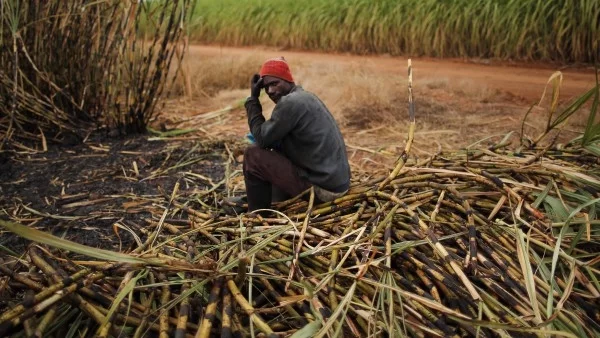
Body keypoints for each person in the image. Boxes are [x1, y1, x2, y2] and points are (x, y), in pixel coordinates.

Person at [224, 57, 351, 214]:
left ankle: (257, 213)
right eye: (265, 87)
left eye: (274, 83)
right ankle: (269, 200)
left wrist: (253, 99)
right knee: (275, 150)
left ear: (287, 80)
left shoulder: (290, 103)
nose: (270, 91)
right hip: (336, 184)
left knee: (253, 154)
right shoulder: (305, 97)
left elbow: (261, 138)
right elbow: (270, 141)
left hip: (325, 191)